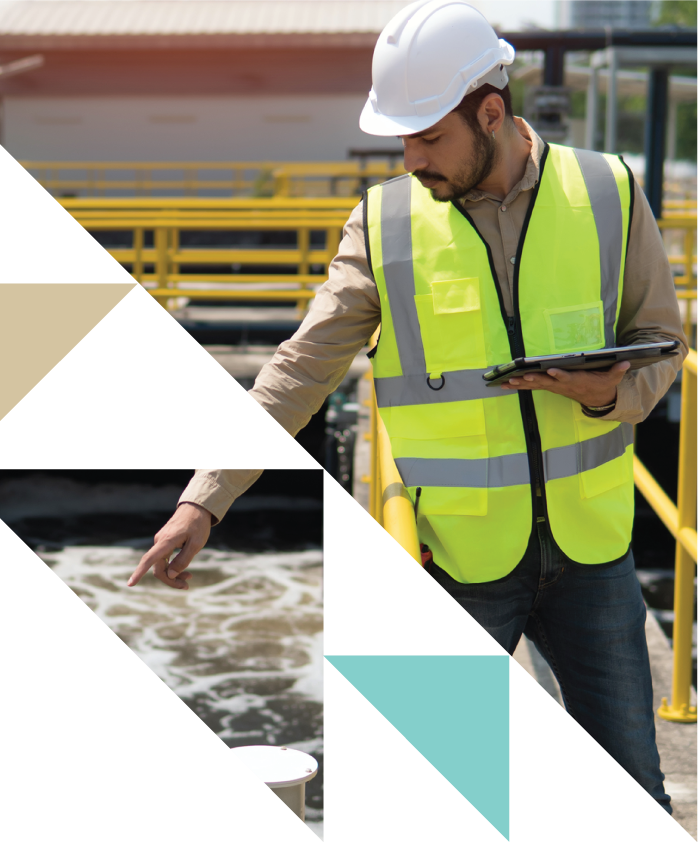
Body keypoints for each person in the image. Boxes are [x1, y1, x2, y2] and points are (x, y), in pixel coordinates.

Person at [127, 0, 688, 834]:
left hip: (594, 554)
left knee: (634, 788)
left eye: (429, 138)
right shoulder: (385, 223)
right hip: (461, 566)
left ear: (489, 111)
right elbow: (298, 370)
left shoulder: (608, 190)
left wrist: (609, 392)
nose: (412, 157)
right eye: (404, 140)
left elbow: (664, 343)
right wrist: (203, 498)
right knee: (445, 802)